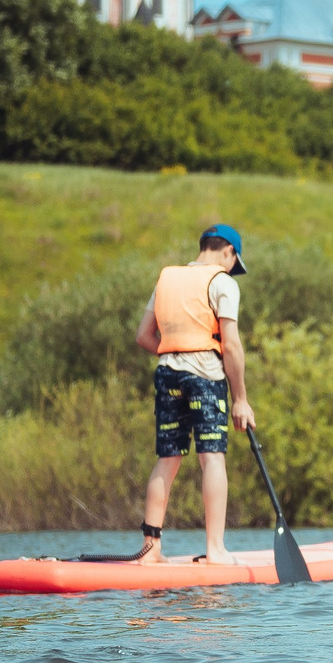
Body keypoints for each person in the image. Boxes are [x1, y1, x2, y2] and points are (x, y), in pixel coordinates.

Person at [122, 224, 257, 564]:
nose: (232, 270)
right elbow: (231, 345)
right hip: (205, 377)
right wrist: (240, 399)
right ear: (228, 251)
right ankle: (216, 550)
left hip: (167, 374)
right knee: (211, 456)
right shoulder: (222, 282)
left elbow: (143, 336)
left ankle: (150, 550)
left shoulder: (166, 278)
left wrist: (175, 356)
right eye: (233, 262)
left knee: (168, 457)